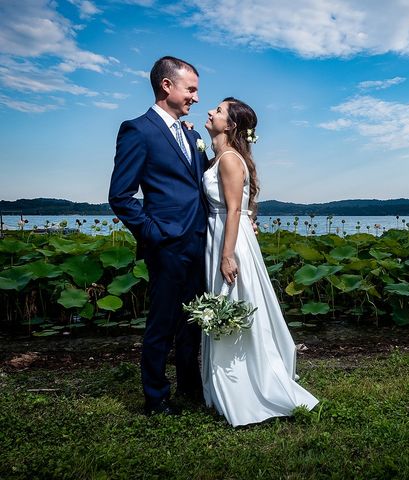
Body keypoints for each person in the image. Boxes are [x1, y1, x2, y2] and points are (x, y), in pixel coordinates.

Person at [201, 97, 319, 427]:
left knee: (231, 303)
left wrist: (226, 255)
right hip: (225, 233)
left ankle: (241, 388)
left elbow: (235, 210)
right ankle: (227, 383)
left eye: (219, 111)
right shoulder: (221, 157)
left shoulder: (228, 159)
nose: (210, 111)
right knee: (229, 305)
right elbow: (244, 208)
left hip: (229, 239)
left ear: (230, 126)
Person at [108, 56, 209, 416]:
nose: (196, 97)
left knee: (195, 319)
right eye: (191, 89)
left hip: (200, 240)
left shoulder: (193, 134)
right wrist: (154, 233)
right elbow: (120, 195)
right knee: (162, 322)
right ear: (167, 85)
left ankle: (190, 385)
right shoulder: (138, 130)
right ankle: (155, 397)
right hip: (166, 244)